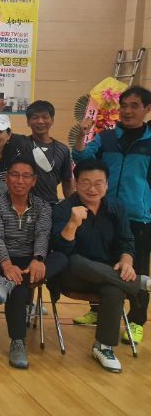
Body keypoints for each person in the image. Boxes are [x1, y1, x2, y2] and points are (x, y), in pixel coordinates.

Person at [51, 159, 151, 372]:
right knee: (76, 261)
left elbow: (127, 241)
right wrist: (72, 224)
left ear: (107, 184)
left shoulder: (116, 207)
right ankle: (138, 284)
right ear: (76, 183)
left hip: (107, 274)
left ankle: (103, 347)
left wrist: (126, 260)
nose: (92, 188)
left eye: (98, 183)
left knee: (114, 288)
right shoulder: (63, 209)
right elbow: (59, 250)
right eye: (86, 182)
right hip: (73, 275)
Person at [72, 86, 151, 343]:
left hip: (139, 216)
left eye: (134, 106)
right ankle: (98, 310)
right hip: (106, 212)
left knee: (137, 267)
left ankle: (137, 320)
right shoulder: (106, 138)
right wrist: (82, 135)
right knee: (100, 261)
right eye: (124, 105)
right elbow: (82, 157)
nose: (127, 111)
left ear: (147, 109)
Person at [0, 157, 66, 369]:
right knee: (19, 289)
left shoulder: (43, 206)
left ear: (34, 180)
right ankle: (18, 342)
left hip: (30, 260)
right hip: (2, 259)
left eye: (26, 176)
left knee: (61, 258)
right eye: (15, 175)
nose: (20, 180)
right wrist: (6, 265)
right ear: (6, 178)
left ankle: (6, 284)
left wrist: (38, 259)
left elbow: (42, 234)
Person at [11, 100, 73, 204]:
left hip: (51, 205)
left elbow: (67, 181)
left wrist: (70, 206)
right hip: (23, 205)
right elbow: (2, 134)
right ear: (28, 121)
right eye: (35, 117)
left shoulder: (63, 149)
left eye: (45, 117)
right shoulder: (21, 143)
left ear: (52, 120)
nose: (40, 121)